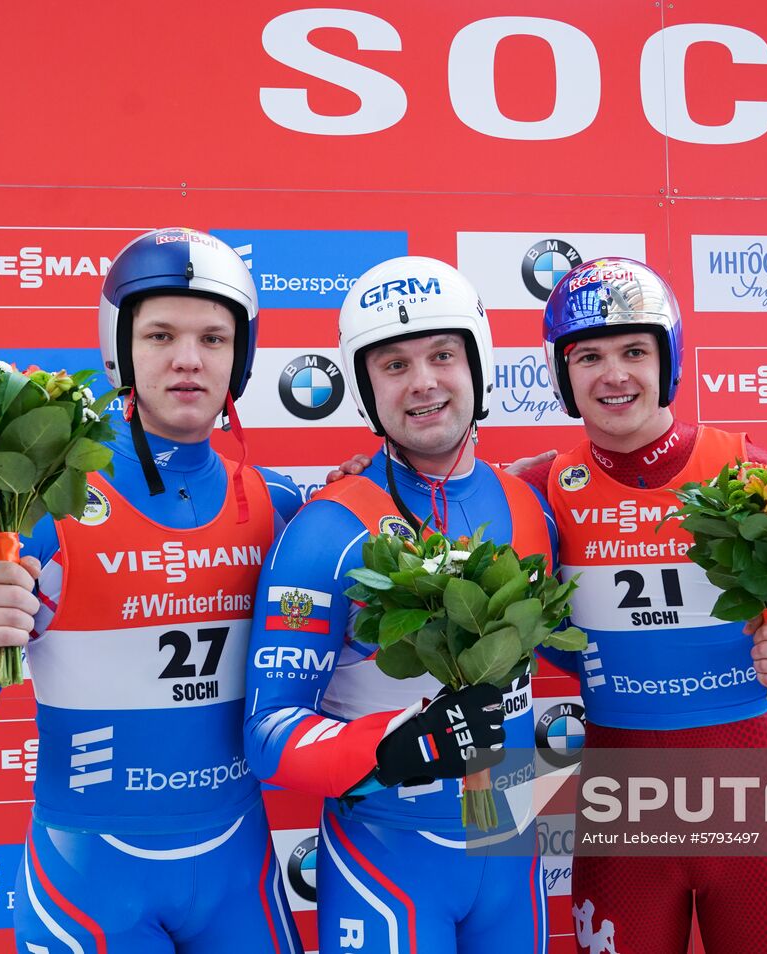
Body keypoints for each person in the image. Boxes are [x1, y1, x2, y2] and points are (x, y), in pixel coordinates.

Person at [0, 227, 304, 953]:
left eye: (213, 338)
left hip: (239, 870)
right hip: (90, 884)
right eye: (160, 335)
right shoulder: (40, 503)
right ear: (120, 347)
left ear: (240, 359)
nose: (187, 359)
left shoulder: (280, 504)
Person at [531, 256, 767, 954]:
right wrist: (364, 470)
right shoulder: (536, 488)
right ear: (563, 375)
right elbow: (425, 513)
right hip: (622, 815)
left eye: (635, 350)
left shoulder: (753, 471)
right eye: (588, 356)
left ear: (670, 359)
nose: (614, 374)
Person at [243, 256, 557, 954]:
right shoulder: (327, 530)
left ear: (478, 366)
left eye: (443, 355)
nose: (422, 382)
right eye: (392, 365)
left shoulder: (530, 506)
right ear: (363, 388)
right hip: (387, 862)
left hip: (509, 854)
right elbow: (265, 737)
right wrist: (391, 745)